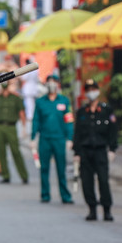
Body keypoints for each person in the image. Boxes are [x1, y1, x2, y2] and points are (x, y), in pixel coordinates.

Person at [72, 78, 118, 220]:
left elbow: (113, 131)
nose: (91, 93)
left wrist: (112, 149)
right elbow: (77, 133)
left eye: (93, 90)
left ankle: (107, 210)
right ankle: (92, 209)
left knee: (103, 180)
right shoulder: (82, 111)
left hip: (100, 150)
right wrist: (77, 152)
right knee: (87, 182)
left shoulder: (106, 110)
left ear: (97, 91)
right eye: (88, 90)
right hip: (85, 151)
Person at [31, 74, 74, 203]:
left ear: (58, 84)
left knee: (61, 168)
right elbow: (36, 120)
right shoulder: (40, 102)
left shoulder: (64, 101)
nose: (51, 84)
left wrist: (70, 138)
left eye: (54, 82)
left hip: (59, 139)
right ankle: (45, 194)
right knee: (44, 168)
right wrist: (33, 138)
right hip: (45, 139)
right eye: (49, 82)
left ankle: (65, 196)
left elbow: (69, 120)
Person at [0, 82, 29, 184]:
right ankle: (5, 175)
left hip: (11, 127)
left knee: (16, 151)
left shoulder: (16, 98)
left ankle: (24, 175)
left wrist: (24, 127)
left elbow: (22, 113)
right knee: (1, 152)